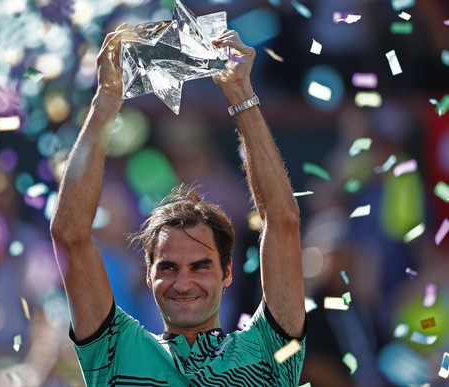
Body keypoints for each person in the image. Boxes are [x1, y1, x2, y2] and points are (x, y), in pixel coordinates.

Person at [50, 23, 306, 386]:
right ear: (149, 273)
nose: (183, 282)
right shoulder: (115, 351)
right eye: (168, 267)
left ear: (227, 272)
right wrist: (106, 99)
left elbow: (282, 220)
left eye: (200, 266)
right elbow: (70, 235)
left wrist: (240, 92)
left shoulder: (268, 351)